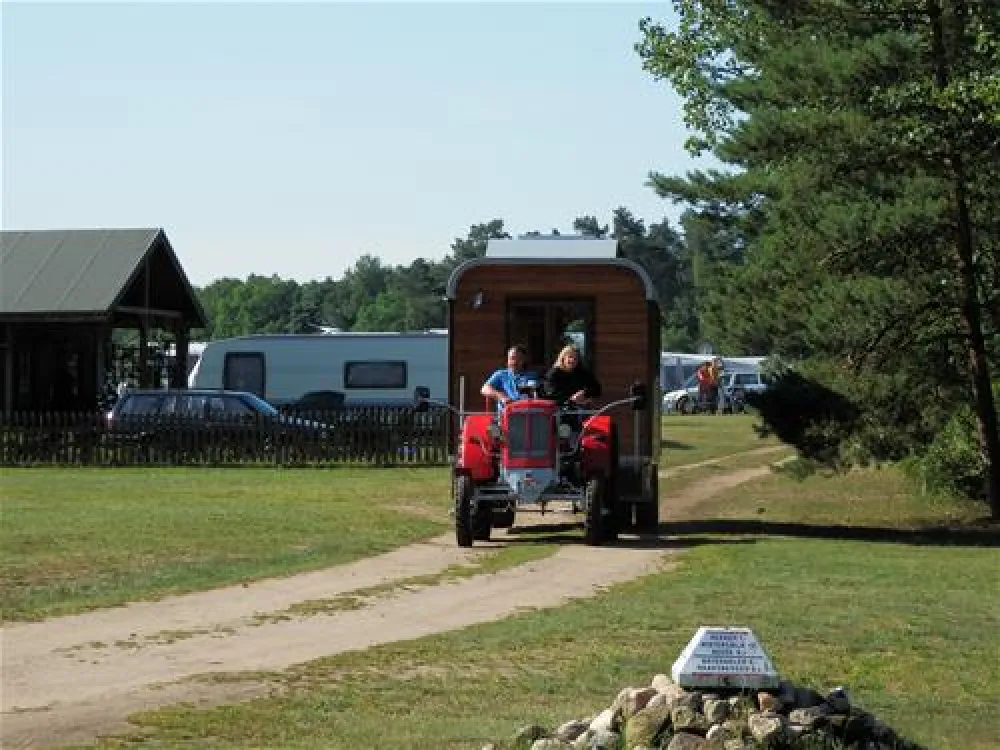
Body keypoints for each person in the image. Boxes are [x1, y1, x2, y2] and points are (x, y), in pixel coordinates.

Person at [481, 345, 534, 411]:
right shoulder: (501, 374)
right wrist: (502, 397)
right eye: (512, 358)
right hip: (506, 414)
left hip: (529, 413)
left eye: (518, 359)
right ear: (508, 359)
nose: (514, 362)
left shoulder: (532, 375)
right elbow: (484, 388)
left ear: (524, 360)